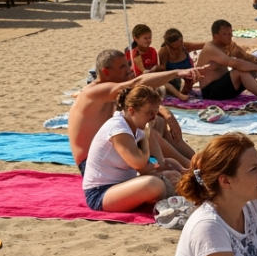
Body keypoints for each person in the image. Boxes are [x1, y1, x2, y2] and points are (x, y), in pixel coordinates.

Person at [68, 49, 203, 173]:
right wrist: (177, 73)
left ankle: (197, 162)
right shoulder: (95, 92)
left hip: (109, 153)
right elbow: (137, 84)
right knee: (150, 134)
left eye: (127, 65)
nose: (129, 69)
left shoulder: (114, 90)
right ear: (106, 72)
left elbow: (143, 102)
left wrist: (168, 115)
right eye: (122, 67)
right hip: (92, 164)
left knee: (158, 123)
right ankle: (192, 168)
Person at [82, 84, 181, 212]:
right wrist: (147, 135)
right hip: (100, 193)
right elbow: (139, 162)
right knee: (155, 185)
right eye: (149, 113)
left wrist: (155, 163)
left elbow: (159, 161)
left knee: (172, 174)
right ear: (132, 111)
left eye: (156, 113)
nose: (153, 118)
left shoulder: (136, 126)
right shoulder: (118, 128)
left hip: (122, 185)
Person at [157, 28, 204, 101]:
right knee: (162, 82)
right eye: (175, 48)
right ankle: (180, 96)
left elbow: (207, 45)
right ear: (168, 46)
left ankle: (183, 93)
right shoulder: (164, 51)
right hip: (170, 85)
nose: (179, 50)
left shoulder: (185, 47)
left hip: (187, 83)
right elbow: (158, 76)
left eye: (180, 46)